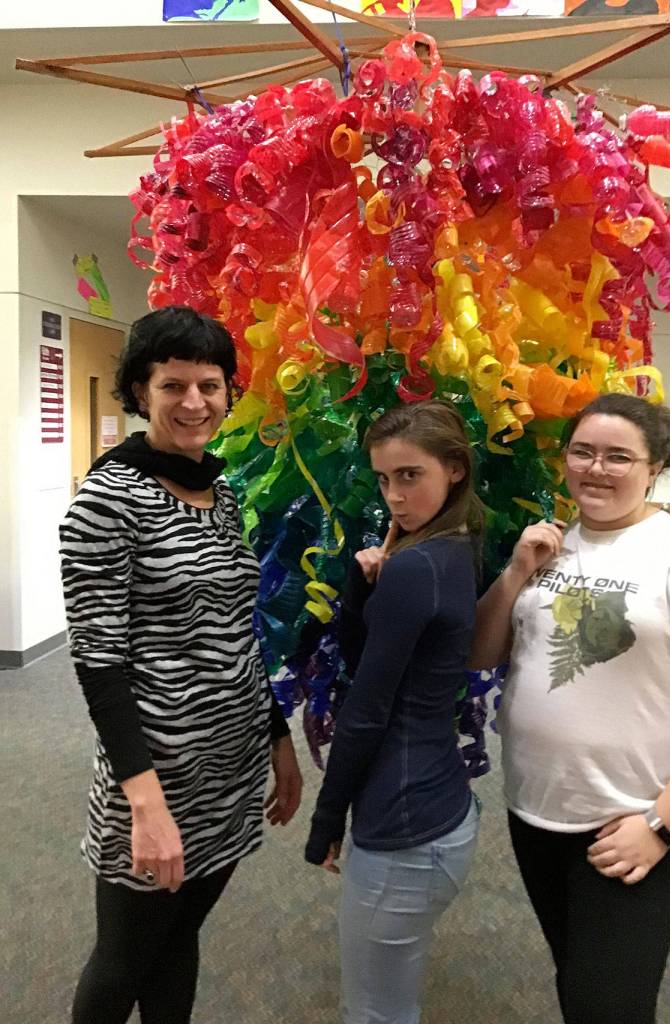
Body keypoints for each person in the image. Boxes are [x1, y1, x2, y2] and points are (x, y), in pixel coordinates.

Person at [470, 392, 670, 1024]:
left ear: (654, 465)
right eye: (582, 451)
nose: (595, 468)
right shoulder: (553, 544)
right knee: (577, 977)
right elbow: (483, 653)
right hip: (535, 812)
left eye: (617, 456)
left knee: (608, 1006)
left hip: (631, 823)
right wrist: (516, 573)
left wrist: (662, 826)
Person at [59, 305, 302, 1024]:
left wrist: (277, 738)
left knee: (179, 936)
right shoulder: (108, 501)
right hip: (154, 775)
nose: (194, 402)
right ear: (140, 392)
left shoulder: (222, 492)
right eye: (173, 385)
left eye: (210, 384)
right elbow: (99, 663)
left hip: (227, 770)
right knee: (124, 960)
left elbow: (237, 631)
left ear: (229, 391)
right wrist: (145, 802)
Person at [305, 400, 484, 1024]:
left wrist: (326, 820)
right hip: (438, 810)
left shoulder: (418, 565)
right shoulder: (455, 546)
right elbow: (373, 659)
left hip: (405, 828)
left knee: (377, 1013)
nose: (394, 497)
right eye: (384, 479)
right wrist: (365, 586)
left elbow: (366, 708)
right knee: (390, 999)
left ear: (454, 469)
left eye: (411, 476)